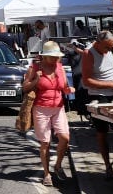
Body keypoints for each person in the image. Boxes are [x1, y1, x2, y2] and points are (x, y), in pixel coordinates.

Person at [22, 41, 75, 186]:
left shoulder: (59, 67)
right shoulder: (35, 67)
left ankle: (57, 165)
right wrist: (37, 79)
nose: (55, 59)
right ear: (44, 56)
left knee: (65, 137)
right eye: (52, 56)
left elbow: (64, 87)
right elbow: (25, 87)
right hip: (41, 108)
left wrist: (69, 90)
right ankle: (46, 174)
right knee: (45, 143)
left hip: (58, 107)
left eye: (57, 56)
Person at [82, 30, 113, 177]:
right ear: (98, 43)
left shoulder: (109, 48)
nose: (109, 50)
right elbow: (87, 81)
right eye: (107, 47)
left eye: (111, 47)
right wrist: (112, 84)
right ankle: (108, 167)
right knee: (102, 132)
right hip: (98, 96)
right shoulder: (88, 53)